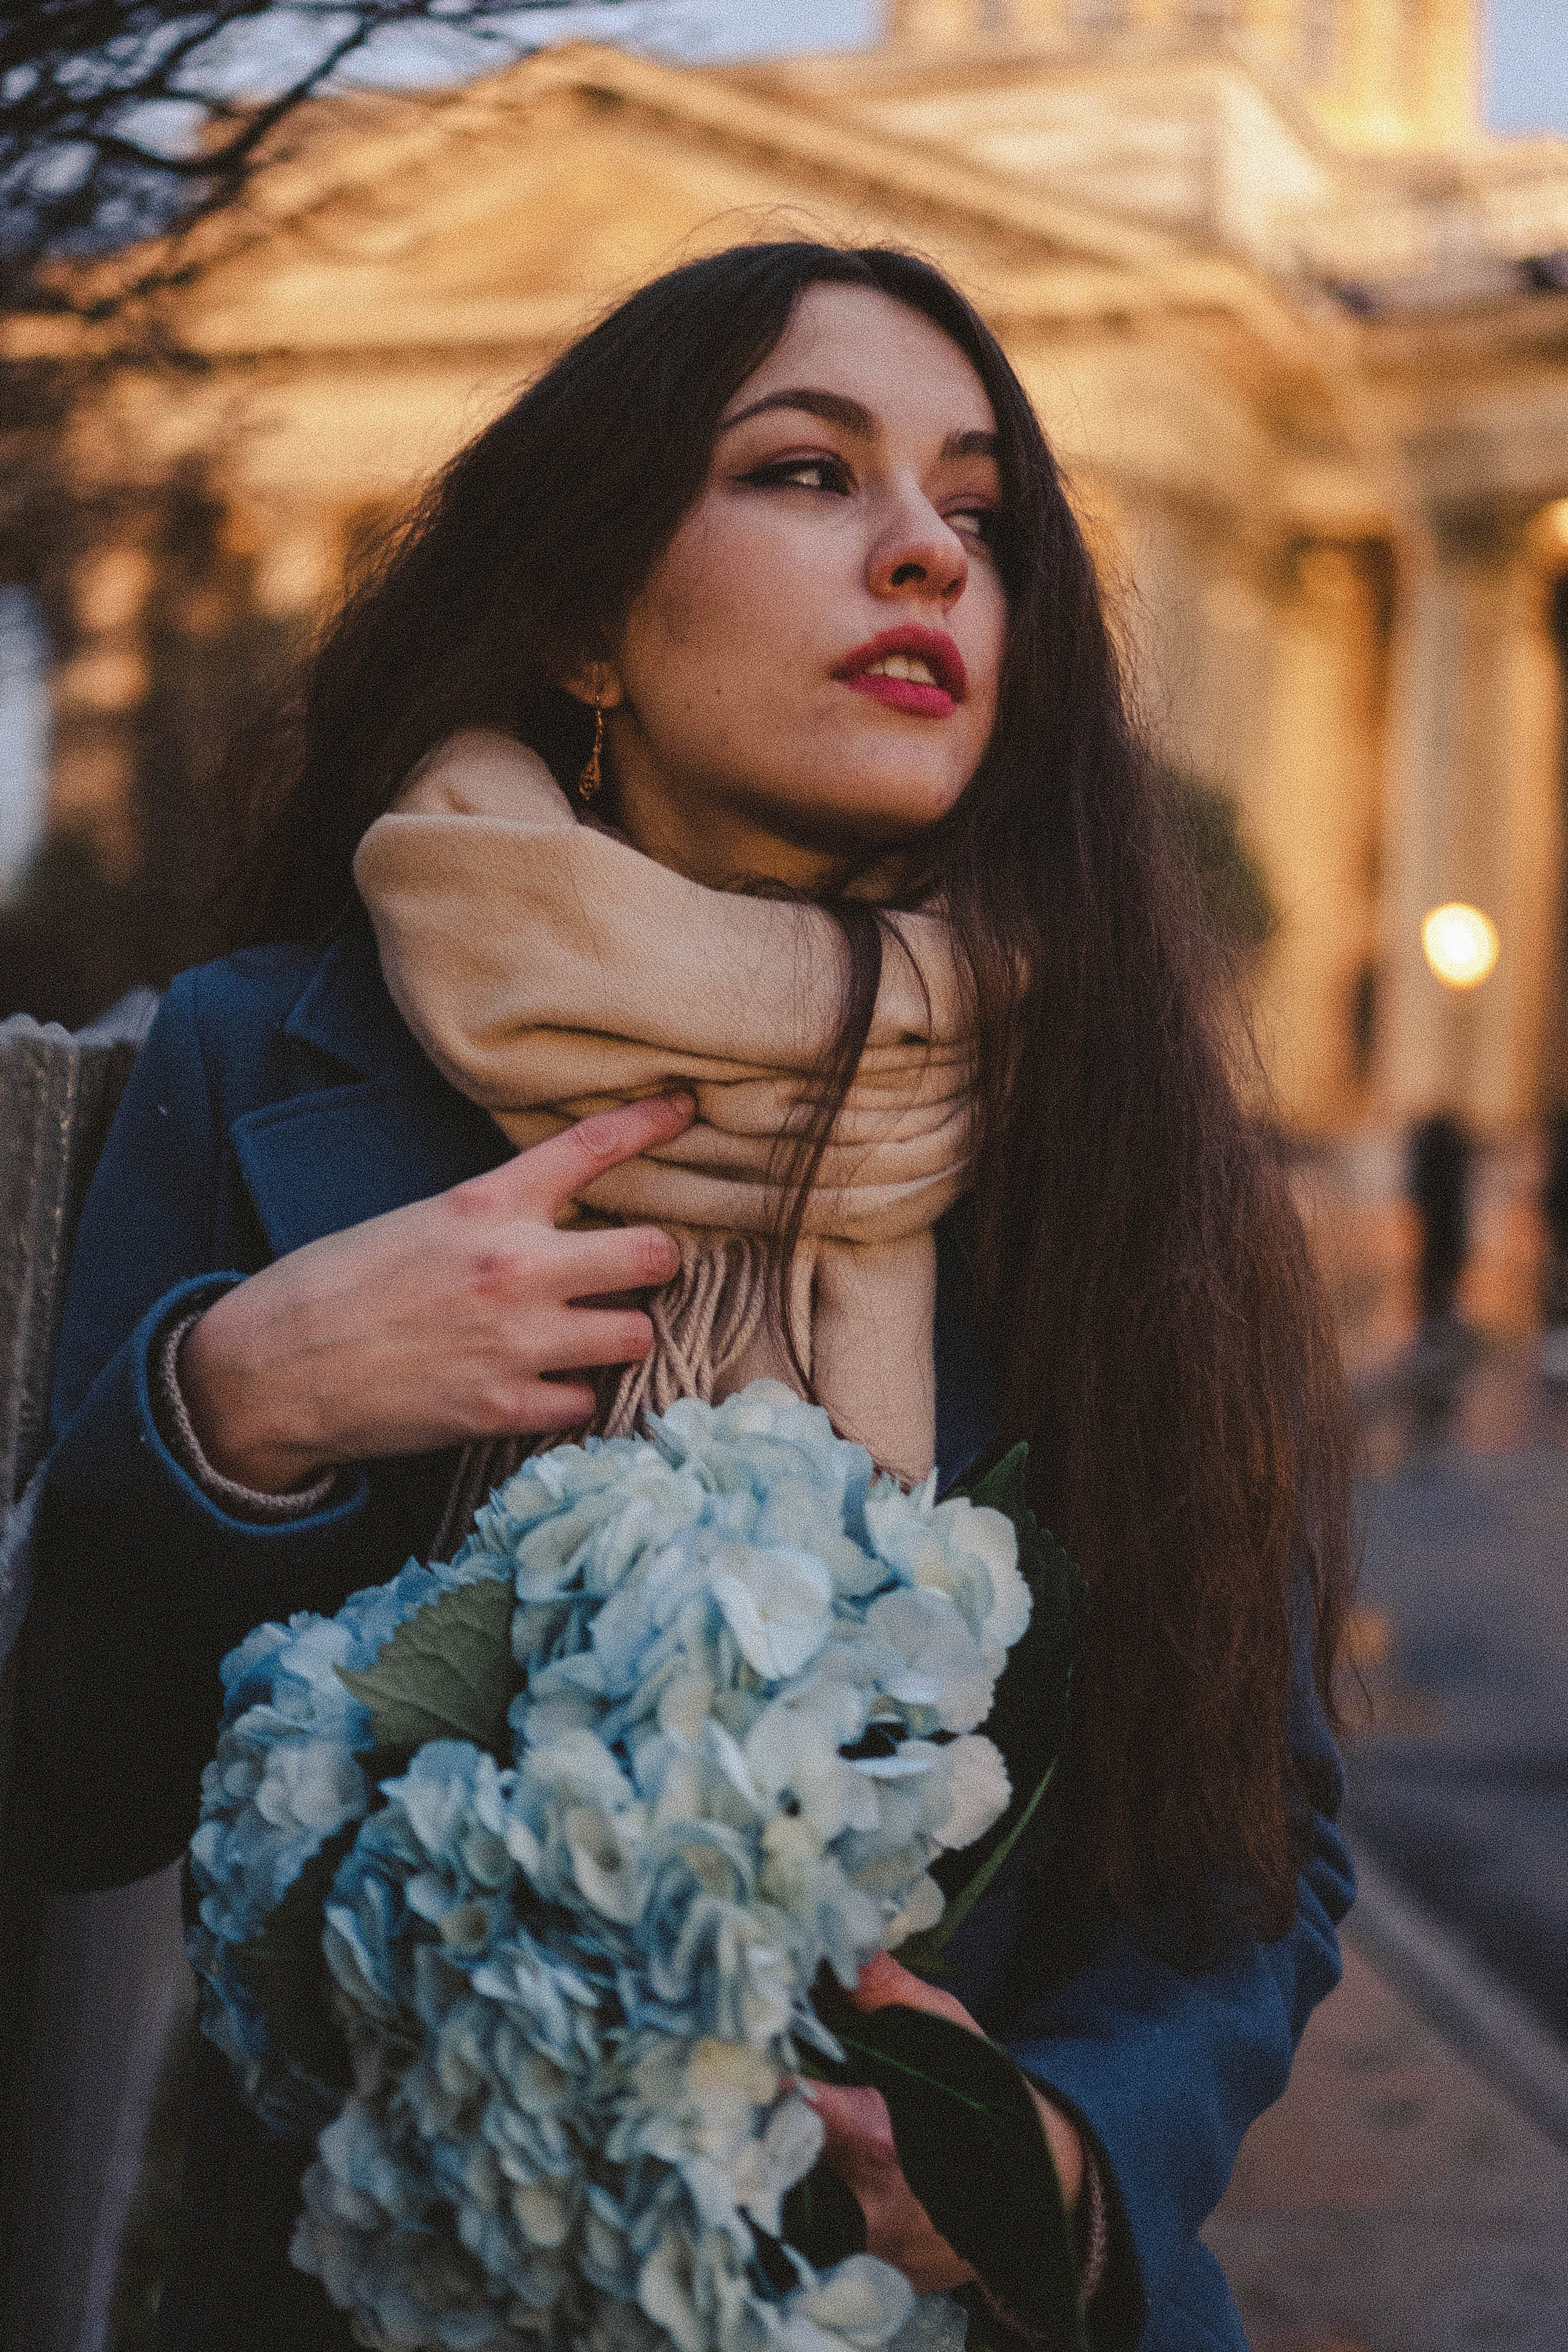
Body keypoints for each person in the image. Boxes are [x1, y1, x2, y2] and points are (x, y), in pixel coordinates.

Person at [19, 243, 1354, 2352]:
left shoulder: (1124, 1152)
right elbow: (69, 1799)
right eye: (811, 474)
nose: (925, 551)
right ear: (580, 624)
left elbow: (1246, 1851)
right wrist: (233, 1414)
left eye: (980, 516)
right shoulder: (258, 1058)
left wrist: (1065, 2155)